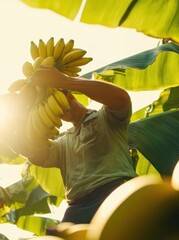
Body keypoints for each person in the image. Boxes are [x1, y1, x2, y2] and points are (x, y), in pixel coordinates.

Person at [19, 66, 138, 224]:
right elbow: (33, 152)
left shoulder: (106, 118)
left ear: (69, 97)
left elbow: (121, 99)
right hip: (78, 209)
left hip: (116, 191)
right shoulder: (62, 143)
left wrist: (65, 81)